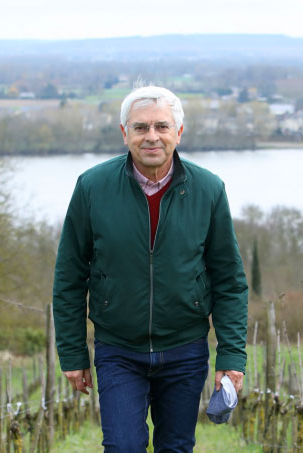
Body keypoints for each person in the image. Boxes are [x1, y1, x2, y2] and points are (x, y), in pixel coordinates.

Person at [52, 84, 249, 452]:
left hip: (185, 350)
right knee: (123, 447)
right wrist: (73, 352)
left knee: (175, 448)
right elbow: (69, 277)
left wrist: (232, 356)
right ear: (125, 133)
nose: (152, 136)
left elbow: (229, 281)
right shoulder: (92, 187)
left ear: (179, 132)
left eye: (162, 126)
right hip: (118, 350)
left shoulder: (208, 190)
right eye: (141, 128)